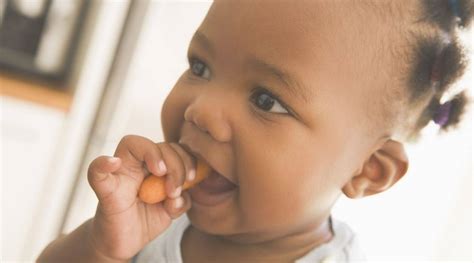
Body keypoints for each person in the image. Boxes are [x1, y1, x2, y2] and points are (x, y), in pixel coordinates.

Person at [37, 0, 473, 262]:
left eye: (267, 100)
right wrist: (102, 246)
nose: (201, 110)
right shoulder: (160, 222)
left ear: (369, 170)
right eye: (200, 66)